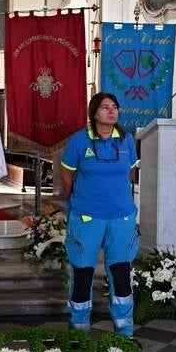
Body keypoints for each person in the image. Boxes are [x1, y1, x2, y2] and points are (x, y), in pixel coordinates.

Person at [57, 92, 140, 338]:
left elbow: (130, 174)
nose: (112, 111)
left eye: (115, 107)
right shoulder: (80, 140)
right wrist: (79, 198)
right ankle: (79, 329)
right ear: (94, 113)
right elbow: (67, 174)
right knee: (83, 271)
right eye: (105, 107)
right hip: (87, 216)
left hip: (121, 217)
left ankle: (124, 329)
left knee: (121, 272)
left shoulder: (125, 140)